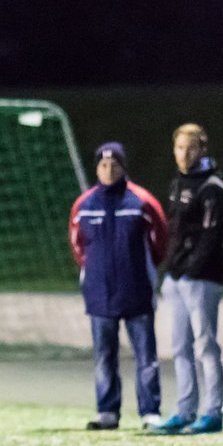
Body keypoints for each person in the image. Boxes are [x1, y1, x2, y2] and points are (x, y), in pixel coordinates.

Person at [69, 142, 168, 430]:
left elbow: (159, 241)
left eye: (114, 165)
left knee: (145, 356)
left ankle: (150, 412)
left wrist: (143, 270)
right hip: (100, 294)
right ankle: (107, 411)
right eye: (103, 165)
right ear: (96, 168)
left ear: (123, 167)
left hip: (136, 290)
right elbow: (78, 246)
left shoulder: (142, 201)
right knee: (104, 356)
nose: (108, 170)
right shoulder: (84, 205)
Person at [153, 123, 223, 435]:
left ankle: (213, 412)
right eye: (179, 148)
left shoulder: (213, 187)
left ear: (202, 150)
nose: (184, 154)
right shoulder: (178, 183)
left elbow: (211, 237)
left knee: (205, 345)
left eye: (190, 148)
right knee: (180, 346)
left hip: (201, 279)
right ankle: (185, 409)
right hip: (177, 276)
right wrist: (170, 268)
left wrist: (191, 269)